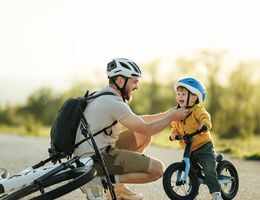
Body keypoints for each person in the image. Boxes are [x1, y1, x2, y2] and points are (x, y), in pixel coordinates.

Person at [74, 58, 189, 200]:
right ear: (121, 81)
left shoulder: (102, 95)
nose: (136, 86)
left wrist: (171, 113)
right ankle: (101, 181)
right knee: (157, 170)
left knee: (142, 136)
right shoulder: (114, 103)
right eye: (134, 81)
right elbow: (147, 128)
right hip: (97, 158)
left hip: (87, 154)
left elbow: (141, 122)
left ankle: (116, 189)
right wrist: (171, 118)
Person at [169, 77, 223, 200]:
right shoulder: (179, 112)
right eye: (178, 94)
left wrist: (204, 125)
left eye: (183, 94)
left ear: (194, 97)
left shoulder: (197, 110)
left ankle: (216, 193)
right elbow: (175, 126)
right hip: (189, 148)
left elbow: (205, 117)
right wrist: (173, 134)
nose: (179, 96)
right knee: (191, 171)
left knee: (209, 169)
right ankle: (192, 191)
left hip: (204, 146)